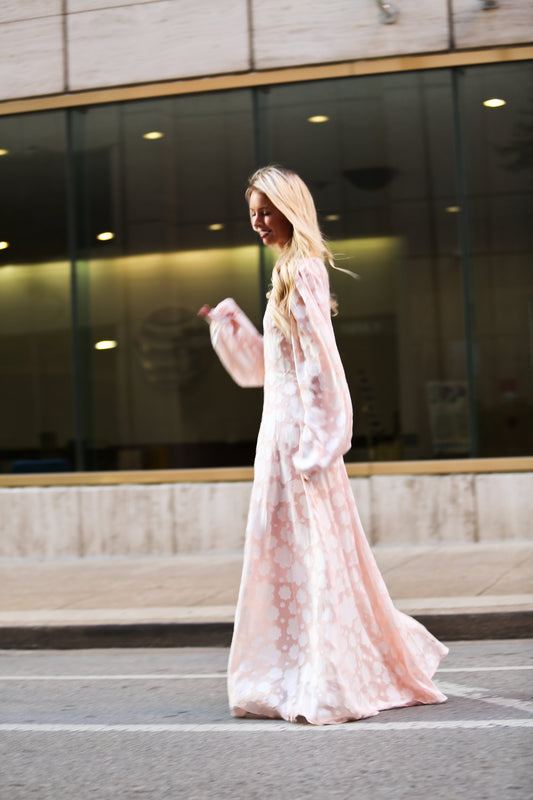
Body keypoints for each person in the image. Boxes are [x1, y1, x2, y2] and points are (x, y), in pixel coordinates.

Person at [199, 165, 448, 725]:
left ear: (290, 209)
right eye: (253, 214)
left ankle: (324, 674)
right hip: (280, 436)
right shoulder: (287, 271)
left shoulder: (304, 270)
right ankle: (300, 669)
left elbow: (320, 363)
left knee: (316, 556)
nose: (258, 222)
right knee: (290, 557)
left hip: (300, 441)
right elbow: (272, 366)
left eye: (266, 211)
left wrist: (322, 442)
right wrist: (229, 327)